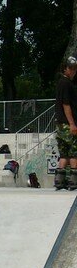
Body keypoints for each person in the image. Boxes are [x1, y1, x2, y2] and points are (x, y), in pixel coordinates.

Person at [54, 56, 77, 190]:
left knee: (64, 154)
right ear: (65, 68)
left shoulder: (60, 83)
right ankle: (74, 181)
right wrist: (72, 124)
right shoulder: (66, 83)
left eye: (75, 69)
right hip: (68, 124)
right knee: (74, 152)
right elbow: (66, 104)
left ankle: (59, 181)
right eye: (71, 68)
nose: (73, 71)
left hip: (60, 124)